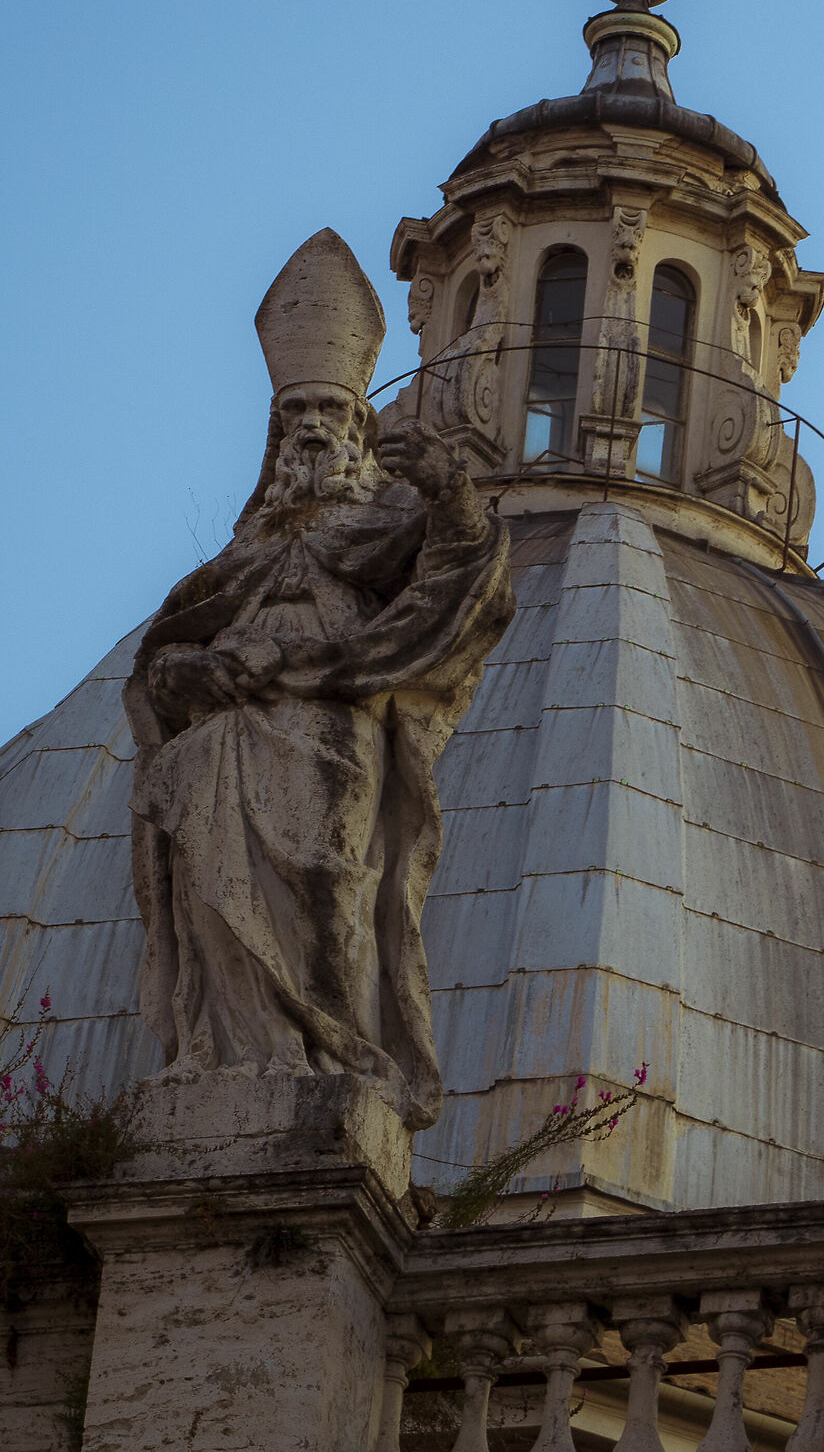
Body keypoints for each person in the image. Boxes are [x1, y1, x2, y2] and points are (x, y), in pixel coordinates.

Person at [125, 231, 512, 1127]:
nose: (309, 430)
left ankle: (336, 1054)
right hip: (229, 733)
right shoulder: (244, 553)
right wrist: (194, 668)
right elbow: (161, 662)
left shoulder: (384, 525)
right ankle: (237, 1054)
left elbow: (456, 593)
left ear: (358, 433)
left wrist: (454, 499)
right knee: (217, 894)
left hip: (331, 729)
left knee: (329, 889)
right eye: (293, 414)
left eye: (328, 417)